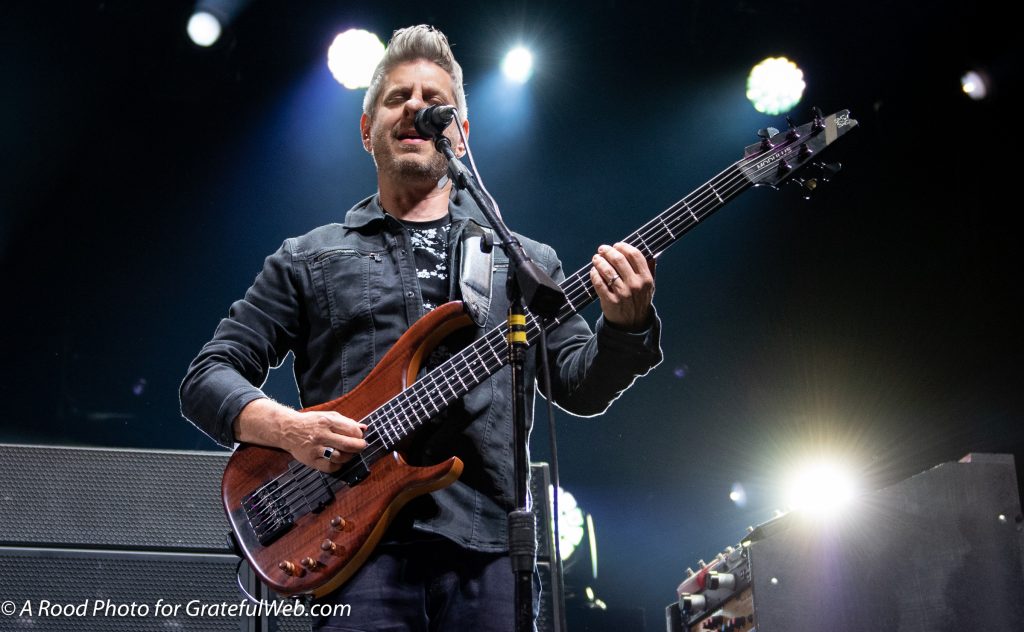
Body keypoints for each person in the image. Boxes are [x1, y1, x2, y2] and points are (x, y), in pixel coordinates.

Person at [180, 24, 662, 632]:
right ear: (366, 129)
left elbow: (578, 387)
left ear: (460, 133)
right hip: (354, 553)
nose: (416, 107)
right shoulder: (308, 257)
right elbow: (207, 377)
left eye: (434, 100)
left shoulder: (523, 265)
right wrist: (290, 429)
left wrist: (625, 326)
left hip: (489, 553)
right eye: (397, 97)